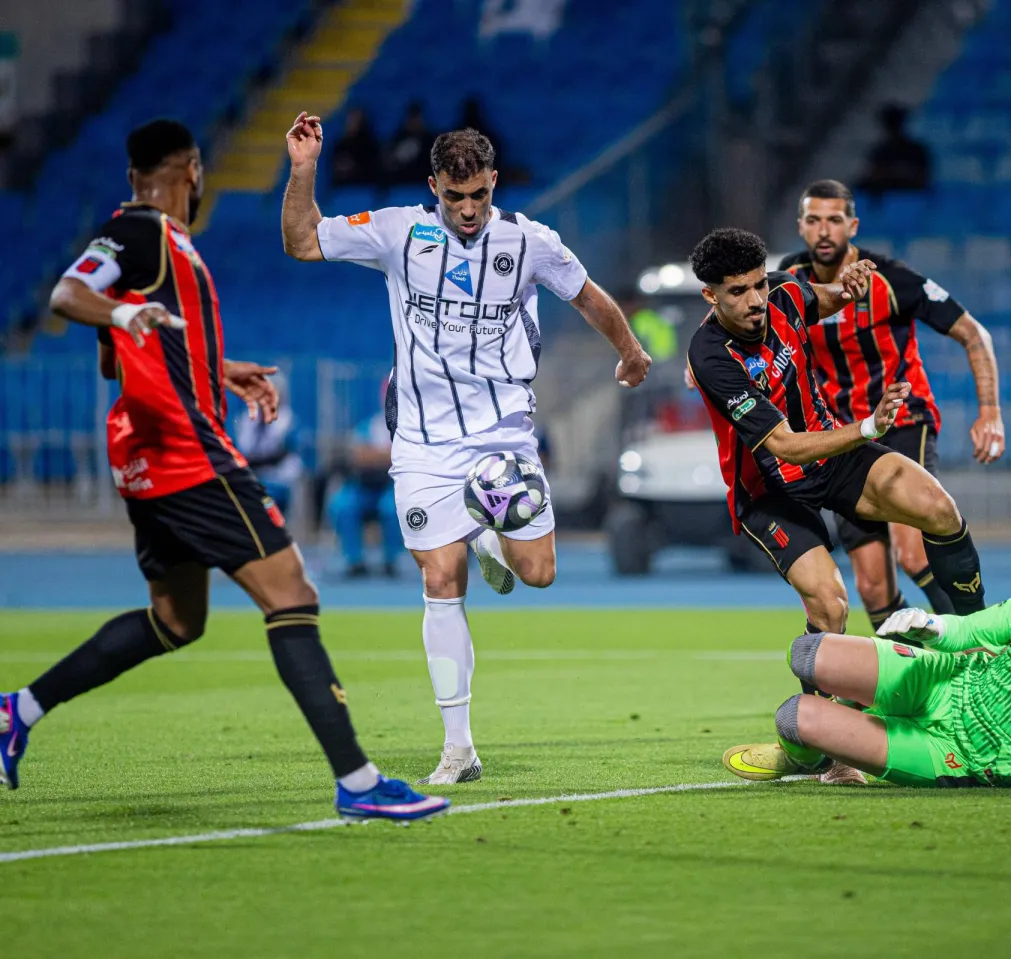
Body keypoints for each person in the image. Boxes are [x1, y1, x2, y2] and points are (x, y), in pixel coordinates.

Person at [0, 118, 448, 824]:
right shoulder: (142, 232)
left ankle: (17, 710)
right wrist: (123, 314)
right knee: (292, 593)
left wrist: (219, 369)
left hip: (144, 456)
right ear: (193, 171)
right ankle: (359, 781)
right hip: (187, 453)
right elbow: (67, 295)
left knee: (176, 619)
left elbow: (118, 359)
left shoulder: (161, 244)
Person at [282, 113, 651, 784]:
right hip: (422, 439)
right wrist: (304, 169)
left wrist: (629, 350)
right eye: (455, 197)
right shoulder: (399, 232)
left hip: (502, 434)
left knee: (538, 573)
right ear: (434, 188)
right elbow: (303, 241)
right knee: (438, 579)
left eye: (479, 194)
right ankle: (459, 746)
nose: (469, 209)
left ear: (494, 183)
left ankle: (487, 534)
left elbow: (588, 296)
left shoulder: (529, 241)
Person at [685, 229, 986, 633]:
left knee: (938, 506)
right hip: (771, 491)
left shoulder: (784, 292)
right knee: (831, 606)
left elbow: (820, 298)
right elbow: (784, 446)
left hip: (832, 460)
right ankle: (817, 677)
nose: (756, 301)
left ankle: (981, 633)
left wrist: (848, 288)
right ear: (711, 295)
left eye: (759, 284)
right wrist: (868, 427)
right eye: (738, 292)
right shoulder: (710, 356)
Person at [723, 538, 1011, 792]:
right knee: (807, 653)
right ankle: (825, 748)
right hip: (946, 682)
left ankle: (815, 752)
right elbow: (972, 630)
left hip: (962, 756)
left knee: (793, 717)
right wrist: (930, 626)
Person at [779, 179, 1005, 630]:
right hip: (842, 437)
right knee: (872, 587)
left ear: (853, 226)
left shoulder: (891, 279)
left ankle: (981, 644)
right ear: (801, 226)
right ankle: (910, 665)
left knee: (914, 553)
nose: (824, 230)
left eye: (834, 220)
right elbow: (749, 324)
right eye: (814, 220)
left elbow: (973, 333)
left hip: (903, 420)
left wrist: (990, 412)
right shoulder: (789, 279)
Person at [328, 411, 404, 578]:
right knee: (343, 506)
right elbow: (358, 456)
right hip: (362, 486)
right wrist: (386, 455)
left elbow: (405, 457)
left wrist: (374, 455)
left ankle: (390, 560)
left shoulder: (409, 427)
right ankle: (355, 561)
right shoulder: (368, 426)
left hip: (392, 486)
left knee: (392, 508)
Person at [233, 370, 302, 516]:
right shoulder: (246, 420)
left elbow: (280, 454)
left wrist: (254, 462)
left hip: (277, 480)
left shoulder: (288, 422)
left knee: (265, 504)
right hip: (250, 479)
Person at [858, 104, 930, 194]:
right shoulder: (880, 150)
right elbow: (875, 174)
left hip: (911, 191)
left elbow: (923, 177)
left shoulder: (916, 150)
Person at [385, 101, 436, 186]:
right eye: (412, 118)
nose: (414, 122)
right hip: (401, 184)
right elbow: (389, 163)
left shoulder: (430, 140)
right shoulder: (398, 139)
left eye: (417, 118)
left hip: (423, 184)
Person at [330, 107, 381, 188]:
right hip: (342, 187)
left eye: (355, 120)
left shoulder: (369, 144)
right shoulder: (340, 145)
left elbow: (372, 167)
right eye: (350, 120)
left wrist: (353, 166)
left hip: (363, 185)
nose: (351, 123)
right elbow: (335, 167)